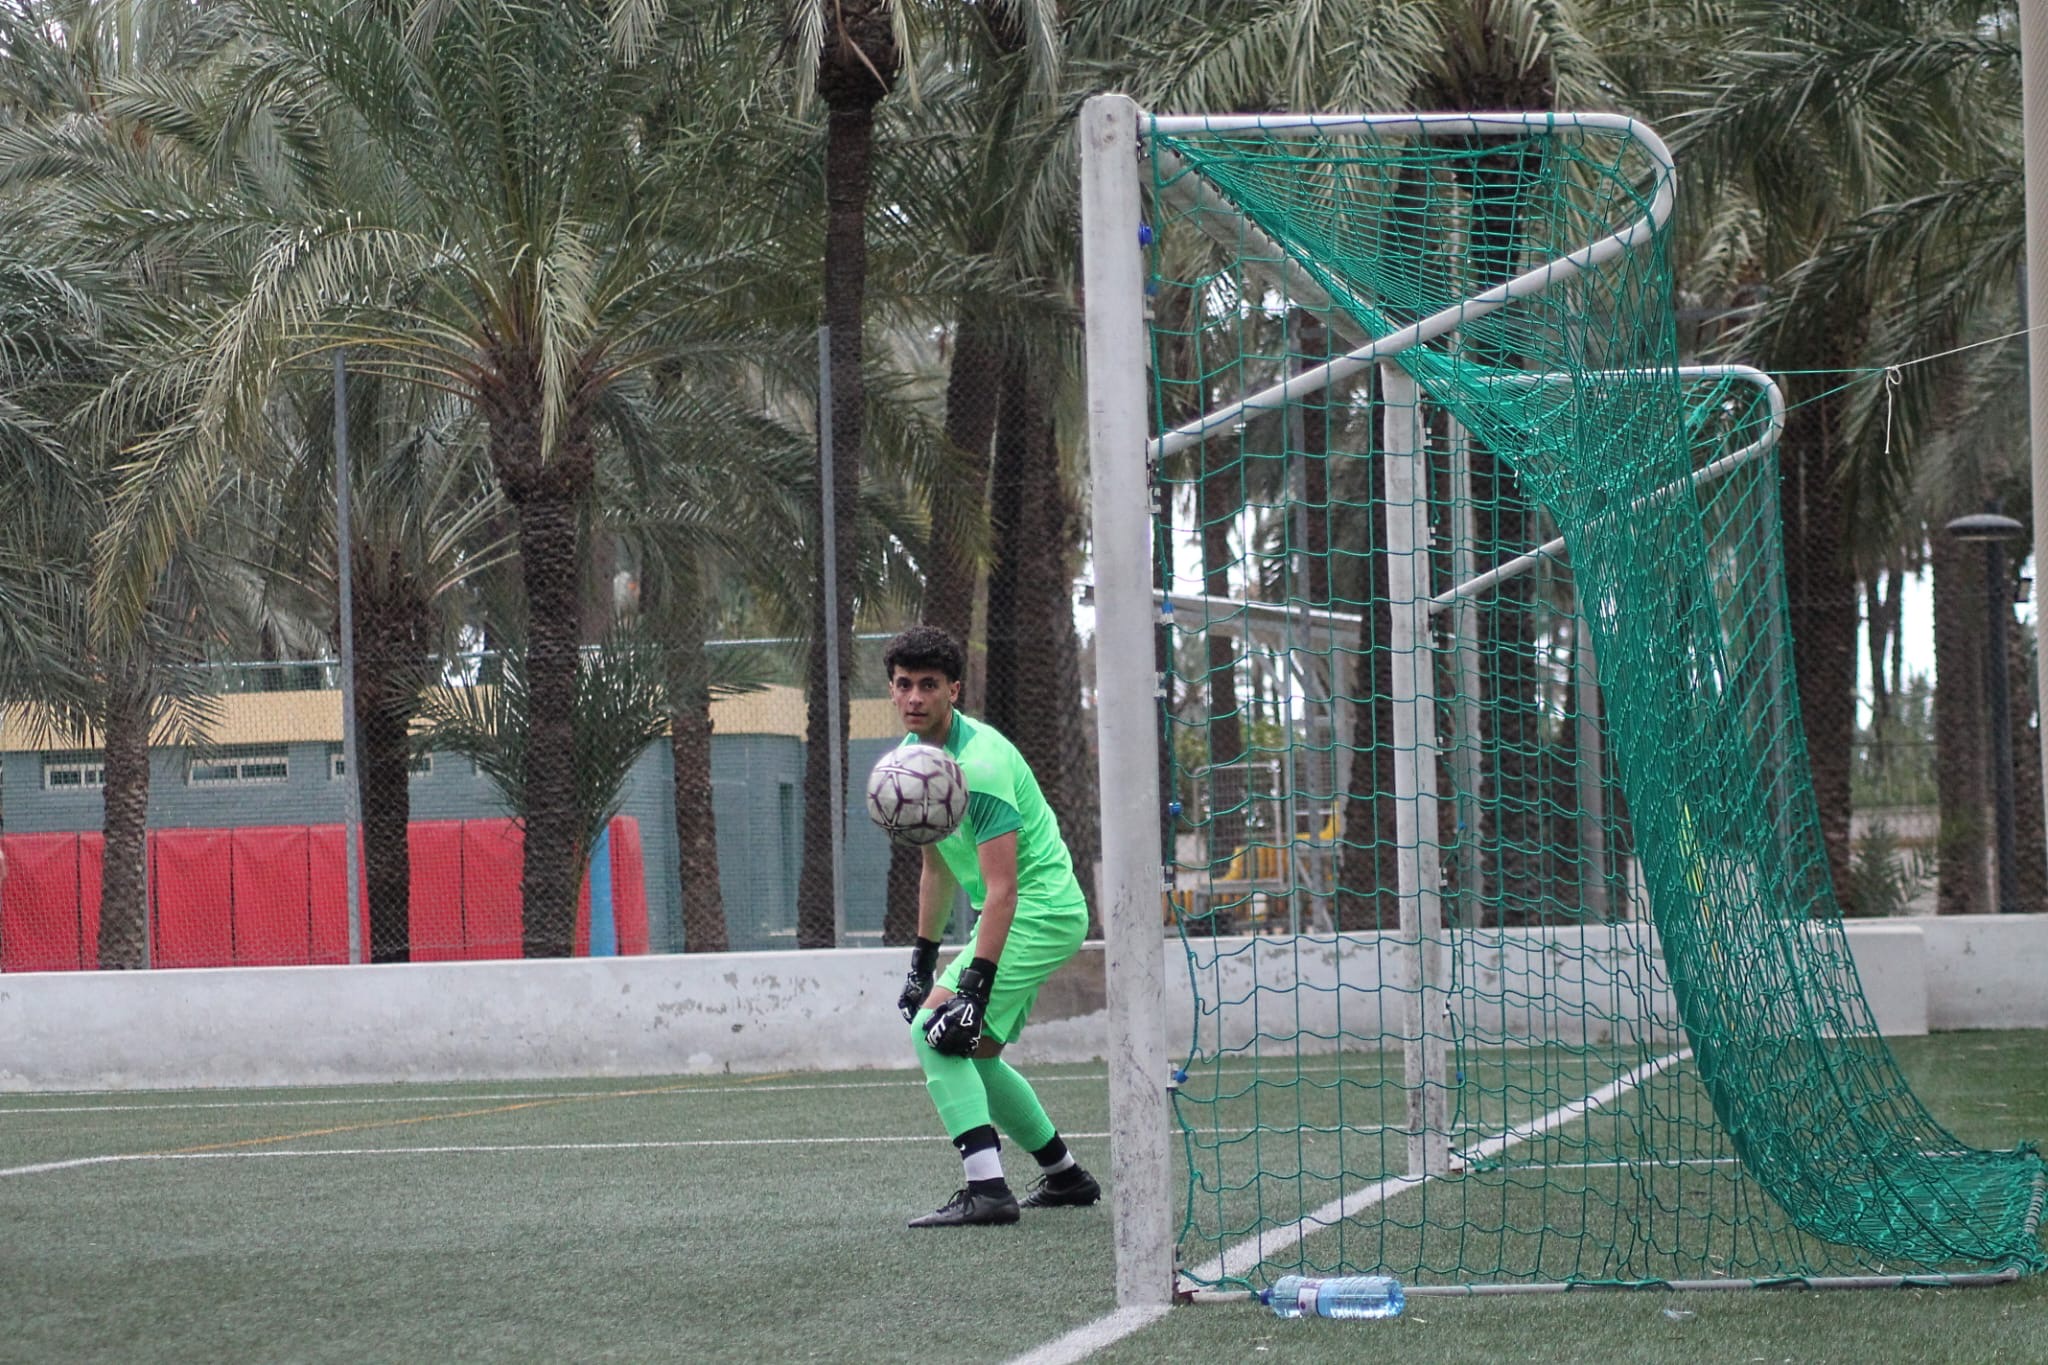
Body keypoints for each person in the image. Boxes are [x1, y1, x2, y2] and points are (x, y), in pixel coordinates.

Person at [885, 624, 1101, 1228]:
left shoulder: (977, 766)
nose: (915, 697)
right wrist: (922, 962)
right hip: (1022, 911)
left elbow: (1003, 889)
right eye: (904, 684)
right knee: (974, 1054)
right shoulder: (915, 761)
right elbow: (935, 866)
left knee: (933, 1031)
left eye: (929, 685)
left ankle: (987, 1191)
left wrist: (974, 987)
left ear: (953, 690)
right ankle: (1066, 1177)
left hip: (1039, 909)